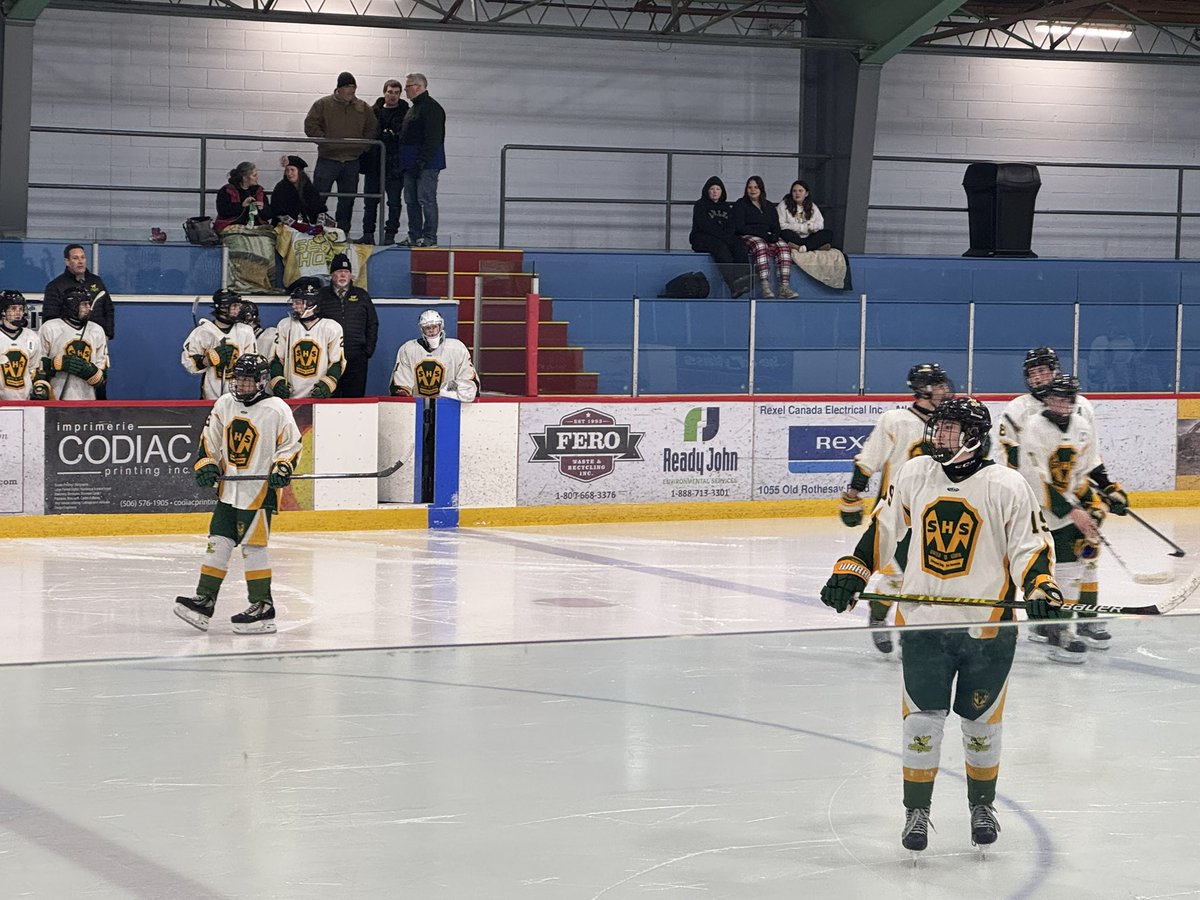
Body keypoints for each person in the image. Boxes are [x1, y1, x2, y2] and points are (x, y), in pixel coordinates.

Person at [820, 396, 1062, 853]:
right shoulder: (915, 473)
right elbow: (883, 528)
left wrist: (1040, 587)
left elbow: (1030, 547)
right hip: (923, 625)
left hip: (987, 630)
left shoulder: (1007, 485)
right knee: (920, 723)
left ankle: (981, 805)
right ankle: (916, 811)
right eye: (938, 427)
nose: (938, 435)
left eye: (949, 428)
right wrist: (853, 570)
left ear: (973, 436)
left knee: (982, 726)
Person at [173, 353, 302, 636]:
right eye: (238, 379)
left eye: (247, 380)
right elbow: (209, 439)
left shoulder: (276, 408)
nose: (241, 384)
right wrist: (207, 463)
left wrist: (282, 466)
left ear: (262, 381)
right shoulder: (225, 403)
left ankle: (263, 606)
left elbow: (291, 444)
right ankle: (204, 600)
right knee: (217, 541)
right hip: (229, 490)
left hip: (259, 491)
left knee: (253, 548)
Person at [840, 363, 954, 654]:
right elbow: (869, 458)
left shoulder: (949, 423)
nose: (945, 390)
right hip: (896, 514)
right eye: (939, 386)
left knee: (929, 578)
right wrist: (853, 494)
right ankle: (878, 618)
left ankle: (912, 634)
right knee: (897, 577)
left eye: (944, 385)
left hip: (934, 515)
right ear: (923, 389)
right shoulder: (895, 420)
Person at [1017, 373, 1114, 662]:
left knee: (1079, 566)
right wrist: (1073, 511)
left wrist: (1094, 502)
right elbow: (1033, 480)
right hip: (1038, 513)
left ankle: (1074, 625)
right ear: (1047, 399)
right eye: (1056, 399)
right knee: (1050, 572)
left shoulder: (1082, 426)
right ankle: (1049, 627)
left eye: (1066, 399)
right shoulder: (1033, 428)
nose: (1061, 405)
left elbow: (1080, 474)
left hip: (1069, 510)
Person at [998, 345, 1130, 520]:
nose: (1037, 378)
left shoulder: (1081, 406)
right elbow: (1012, 456)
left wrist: (1106, 485)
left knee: (1089, 524)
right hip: (1032, 493)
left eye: (1042, 371)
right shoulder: (1016, 410)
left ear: (1055, 371)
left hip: (1071, 489)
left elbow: (1089, 454)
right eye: (1032, 373)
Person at [304, 72, 378, 233]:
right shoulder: (322, 104)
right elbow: (310, 125)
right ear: (339, 88)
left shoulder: (363, 107)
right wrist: (325, 141)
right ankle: (313, 231)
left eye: (354, 87)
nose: (352, 91)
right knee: (318, 198)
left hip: (352, 161)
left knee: (347, 201)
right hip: (328, 159)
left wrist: (363, 146)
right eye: (348, 87)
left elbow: (372, 127)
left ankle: (342, 233)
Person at [317, 253, 378, 397]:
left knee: (355, 400)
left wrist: (367, 351)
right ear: (332, 274)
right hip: (329, 359)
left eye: (346, 271)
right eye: (339, 271)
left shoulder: (362, 295)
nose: (343, 275)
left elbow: (372, 323)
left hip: (356, 358)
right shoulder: (321, 295)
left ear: (350, 275)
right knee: (329, 400)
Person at [180, 289, 259, 400]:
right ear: (222, 308)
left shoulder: (246, 331)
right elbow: (188, 362)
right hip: (211, 395)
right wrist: (206, 360)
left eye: (238, 306)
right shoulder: (203, 332)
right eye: (234, 306)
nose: (238, 310)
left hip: (240, 397)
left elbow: (253, 361)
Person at [270, 283, 345, 400]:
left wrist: (328, 384)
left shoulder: (332, 327)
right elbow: (276, 358)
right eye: (293, 302)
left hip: (318, 397)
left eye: (298, 302)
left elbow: (337, 362)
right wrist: (277, 381)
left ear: (311, 304)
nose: (294, 306)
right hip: (290, 396)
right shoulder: (285, 325)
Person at [397, 73, 446, 248]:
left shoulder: (432, 109)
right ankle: (414, 235)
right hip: (410, 163)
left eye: (407, 87)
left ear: (418, 87)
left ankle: (430, 237)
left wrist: (422, 161)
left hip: (426, 164)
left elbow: (433, 139)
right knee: (411, 200)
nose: (405, 90)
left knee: (426, 200)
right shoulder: (414, 108)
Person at [357, 79, 408, 245]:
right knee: (370, 201)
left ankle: (390, 235)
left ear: (400, 95)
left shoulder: (406, 114)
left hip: (395, 165)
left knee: (394, 202)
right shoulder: (373, 112)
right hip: (374, 164)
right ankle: (368, 234)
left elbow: (407, 136)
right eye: (390, 92)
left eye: (396, 93)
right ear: (384, 92)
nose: (393, 96)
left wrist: (394, 136)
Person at [36, 286, 109, 400]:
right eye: (84, 304)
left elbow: (102, 374)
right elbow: (36, 364)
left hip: (88, 399)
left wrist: (92, 372)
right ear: (72, 306)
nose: (88, 308)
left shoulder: (97, 330)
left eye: (89, 304)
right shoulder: (50, 328)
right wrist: (55, 364)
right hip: (55, 397)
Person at [389, 309, 478, 401]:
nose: (431, 330)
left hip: (448, 404)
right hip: (417, 404)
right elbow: (401, 386)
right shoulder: (408, 349)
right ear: (422, 329)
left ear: (441, 326)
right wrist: (402, 392)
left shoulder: (457, 348)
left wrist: (454, 389)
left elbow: (468, 383)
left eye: (434, 327)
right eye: (427, 328)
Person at [731, 175, 797, 299]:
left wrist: (775, 236)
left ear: (761, 189)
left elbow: (776, 225)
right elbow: (740, 227)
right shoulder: (740, 204)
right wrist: (763, 235)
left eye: (756, 187)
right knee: (761, 246)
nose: (753, 190)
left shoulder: (769, 206)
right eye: (750, 187)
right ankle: (765, 285)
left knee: (783, 247)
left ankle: (784, 286)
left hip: (768, 235)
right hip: (748, 235)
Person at [689, 176, 753, 298]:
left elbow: (731, 225)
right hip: (702, 238)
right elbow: (705, 226)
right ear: (707, 190)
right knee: (721, 248)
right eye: (712, 189)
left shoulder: (726, 207)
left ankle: (744, 278)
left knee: (738, 244)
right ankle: (732, 285)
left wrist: (727, 236)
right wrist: (724, 237)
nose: (715, 192)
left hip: (723, 238)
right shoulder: (700, 205)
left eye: (718, 189)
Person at [43, 243, 116, 341]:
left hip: (96, 337)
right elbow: (50, 318)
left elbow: (108, 308)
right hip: (67, 340)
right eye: (75, 258)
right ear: (67, 262)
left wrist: (107, 334)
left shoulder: (96, 281)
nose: (80, 261)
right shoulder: (56, 286)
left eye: (83, 257)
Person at [0, 290, 47, 401]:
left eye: (21, 309)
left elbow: (35, 370)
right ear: (3, 311)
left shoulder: (32, 337)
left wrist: (39, 387)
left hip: (26, 403)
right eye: (13, 308)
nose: (18, 313)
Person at [777, 180, 834, 253]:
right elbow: (780, 225)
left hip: (809, 236)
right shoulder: (783, 205)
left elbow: (820, 225)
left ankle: (802, 248)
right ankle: (814, 247)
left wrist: (810, 226)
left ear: (806, 193)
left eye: (800, 191)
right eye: (794, 191)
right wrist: (800, 228)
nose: (797, 193)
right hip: (794, 236)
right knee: (784, 233)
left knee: (828, 233)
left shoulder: (812, 206)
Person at [214, 162, 271, 233]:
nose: (257, 178)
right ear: (245, 178)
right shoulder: (227, 190)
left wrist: (263, 209)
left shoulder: (259, 191)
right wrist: (241, 205)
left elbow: (268, 215)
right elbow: (222, 212)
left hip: (256, 227)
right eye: (254, 175)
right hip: (233, 226)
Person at [269, 155, 327, 225]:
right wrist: (296, 225)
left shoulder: (309, 187)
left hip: (309, 224)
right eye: (287, 170)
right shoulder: (280, 188)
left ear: (299, 171)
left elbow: (319, 209)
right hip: (285, 226)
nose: (289, 173)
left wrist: (319, 225)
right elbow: (278, 212)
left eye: (292, 170)